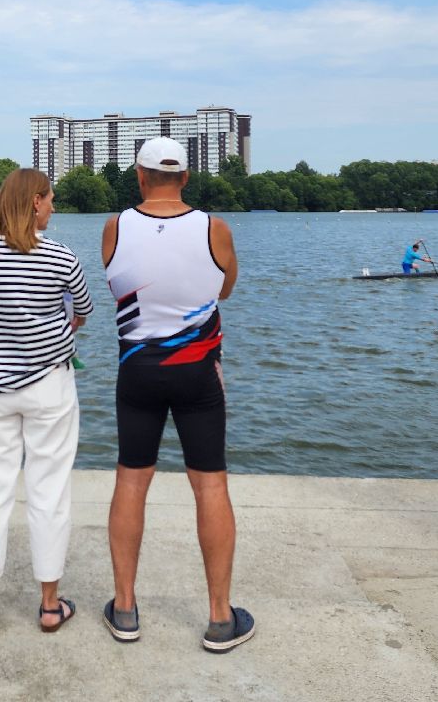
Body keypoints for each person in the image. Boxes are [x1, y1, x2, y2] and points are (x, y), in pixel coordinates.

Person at [101, 137, 251, 653]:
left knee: (131, 482)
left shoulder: (115, 227)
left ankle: (124, 609)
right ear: (185, 178)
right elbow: (224, 288)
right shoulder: (216, 228)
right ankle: (219, 618)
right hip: (197, 375)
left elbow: (119, 285)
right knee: (210, 488)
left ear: (139, 177)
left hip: (137, 371)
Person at [0, 168, 93, 638]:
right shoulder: (61, 257)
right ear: (35, 202)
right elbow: (83, 310)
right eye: (51, 200)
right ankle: (50, 605)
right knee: (49, 491)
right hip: (48, 387)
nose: (54, 207)